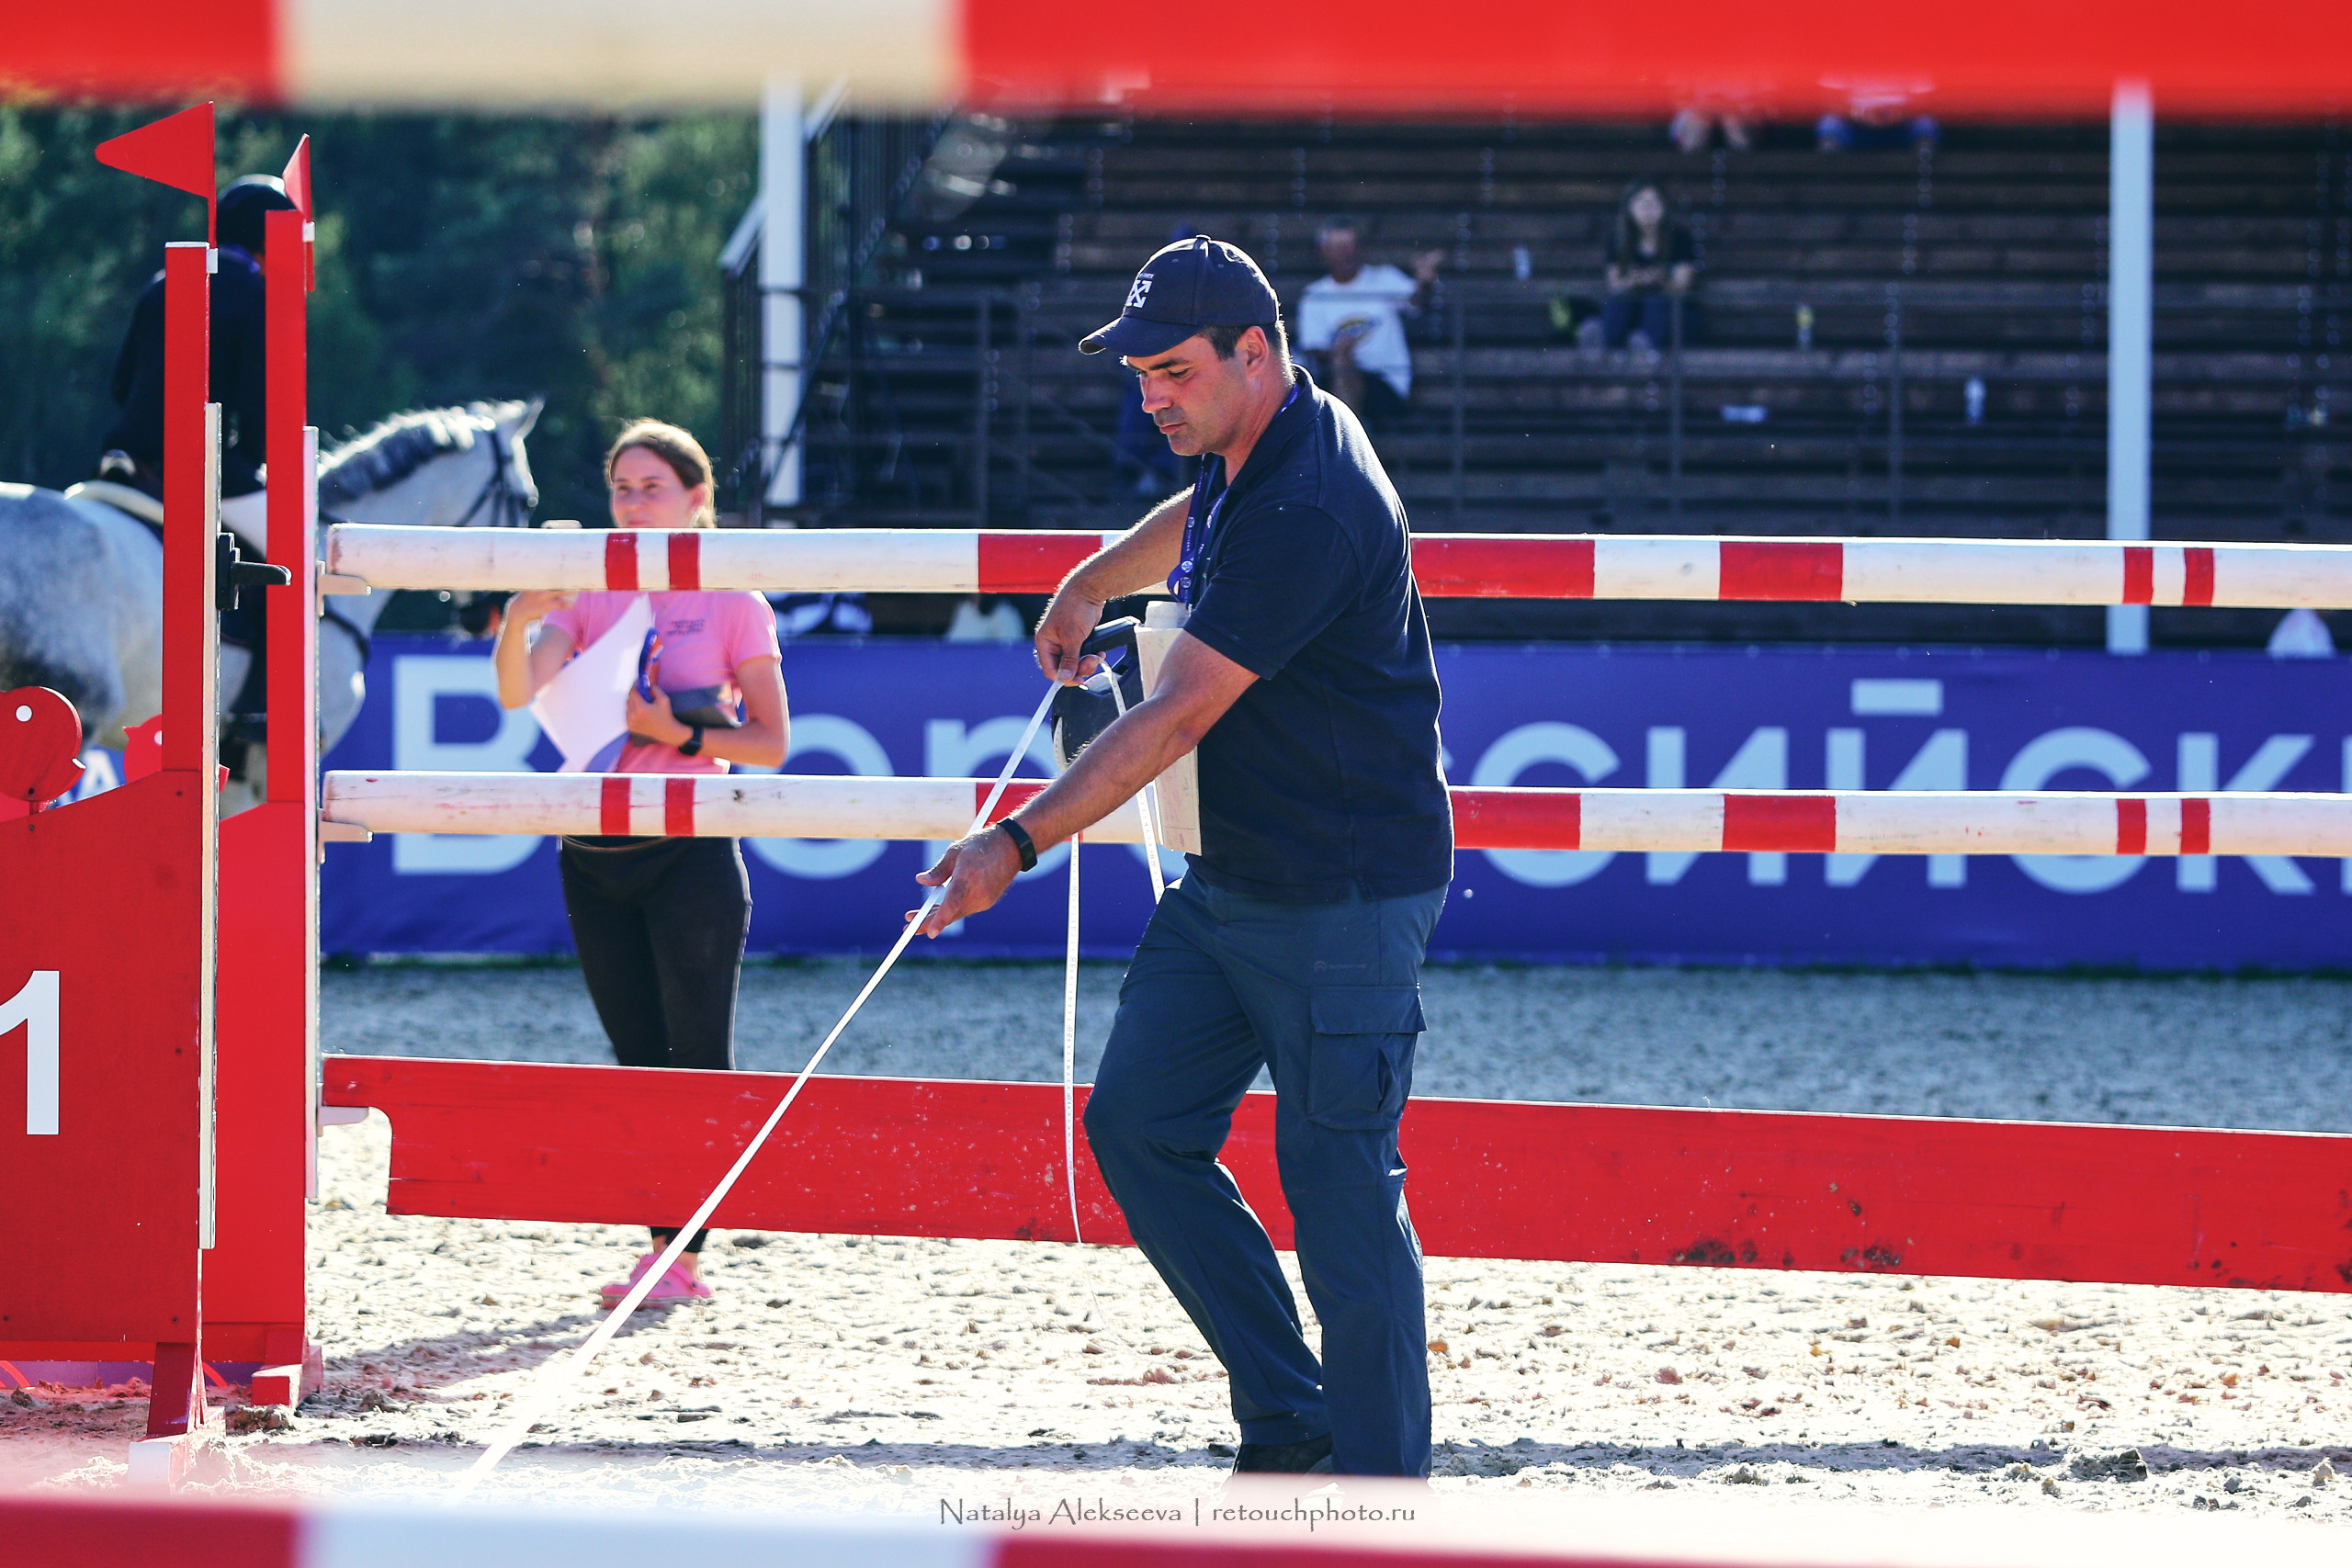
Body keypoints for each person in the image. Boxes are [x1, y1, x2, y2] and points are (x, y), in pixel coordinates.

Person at [912, 235, 1453, 1478]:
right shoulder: (1248, 436)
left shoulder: (1314, 500)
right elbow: (1193, 508)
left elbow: (1174, 715)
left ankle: (1379, 1493)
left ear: (1253, 356)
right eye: (1140, 371)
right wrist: (1094, 574)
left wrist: (1014, 842)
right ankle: (1290, 1407)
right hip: (1239, 876)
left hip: (1347, 891)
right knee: (1139, 1125)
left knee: (1342, 1199)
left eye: (1171, 371)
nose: (1149, 394)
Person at [493, 421, 788, 1308]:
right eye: (621, 487)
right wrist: (518, 612)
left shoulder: (736, 599)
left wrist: (672, 731)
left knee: (698, 1052)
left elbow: (771, 743)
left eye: (651, 485)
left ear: (699, 498)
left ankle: (682, 1255)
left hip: (692, 849)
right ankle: (661, 1242)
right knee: (633, 1055)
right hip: (588, 851)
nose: (630, 502)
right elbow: (516, 691)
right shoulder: (588, 591)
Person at [99, 175, 295, 555]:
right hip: (202, 467)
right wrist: (250, 460)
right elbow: (258, 400)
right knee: (294, 556)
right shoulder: (256, 295)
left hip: (127, 459)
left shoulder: (161, 283)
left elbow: (121, 386)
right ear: (269, 238)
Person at [1293, 218, 1443, 435]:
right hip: (1335, 380)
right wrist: (1341, 351)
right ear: (1324, 251)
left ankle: (1344, 444)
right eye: (1339, 246)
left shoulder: (1384, 279)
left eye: (1351, 245)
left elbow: (1418, 301)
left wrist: (1425, 280)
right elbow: (1314, 350)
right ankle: (1352, 438)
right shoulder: (1314, 296)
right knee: (1338, 368)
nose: (1347, 253)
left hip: (1386, 382)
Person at [1601, 181, 1699, 354]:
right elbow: (1614, 285)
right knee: (1619, 303)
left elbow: (1682, 286)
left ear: (1664, 207)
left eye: (1654, 202)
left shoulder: (1679, 238)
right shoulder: (1619, 240)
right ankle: (1609, 350)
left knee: (1656, 302)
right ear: (1629, 207)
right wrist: (1634, 280)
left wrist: (1660, 279)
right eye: (1640, 202)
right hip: (1632, 310)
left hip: (1672, 313)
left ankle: (1649, 350)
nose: (1647, 209)